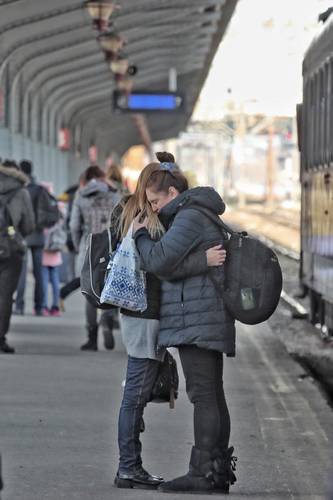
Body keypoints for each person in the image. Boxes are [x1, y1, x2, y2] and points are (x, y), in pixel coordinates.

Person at [110, 161, 226, 490]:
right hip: (144, 311)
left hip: (150, 312)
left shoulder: (146, 213)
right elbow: (159, 263)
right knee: (136, 392)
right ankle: (129, 467)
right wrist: (201, 261)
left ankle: (130, 467)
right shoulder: (141, 217)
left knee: (138, 392)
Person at [70, 165, 121, 351]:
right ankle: (107, 320)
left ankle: (92, 338)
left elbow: (74, 225)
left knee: (89, 292)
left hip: (88, 247)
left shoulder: (81, 195)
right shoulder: (115, 194)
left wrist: (78, 246)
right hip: (111, 247)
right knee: (110, 289)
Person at [0, 160, 35, 353]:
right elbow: (29, 225)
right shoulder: (21, 192)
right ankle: (0, 338)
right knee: (5, 296)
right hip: (11, 248)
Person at [14, 160, 47, 316]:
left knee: (21, 272)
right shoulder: (39, 189)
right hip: (39, 236)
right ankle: (39, 307)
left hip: (23, 235)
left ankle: (19, 305)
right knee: (38, 273)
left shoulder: (20, 189)